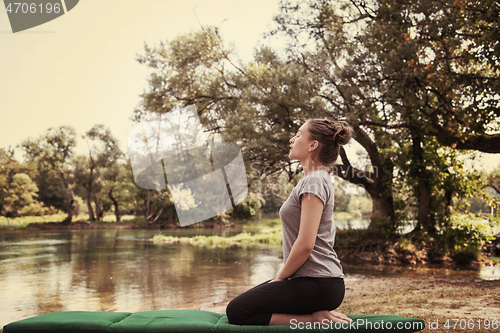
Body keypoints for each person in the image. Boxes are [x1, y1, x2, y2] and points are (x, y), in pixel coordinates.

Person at [226, 118, 353, 326]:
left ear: (313, 145)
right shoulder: (314, 179)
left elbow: (305, 244)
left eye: (299, 134)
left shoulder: (314, 181)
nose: (292, 139)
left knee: (237, 311)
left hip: (320, 283)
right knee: (243, 305)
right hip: (317, 283)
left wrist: (279, 279)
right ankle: (316, 313)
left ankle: (312, 319)